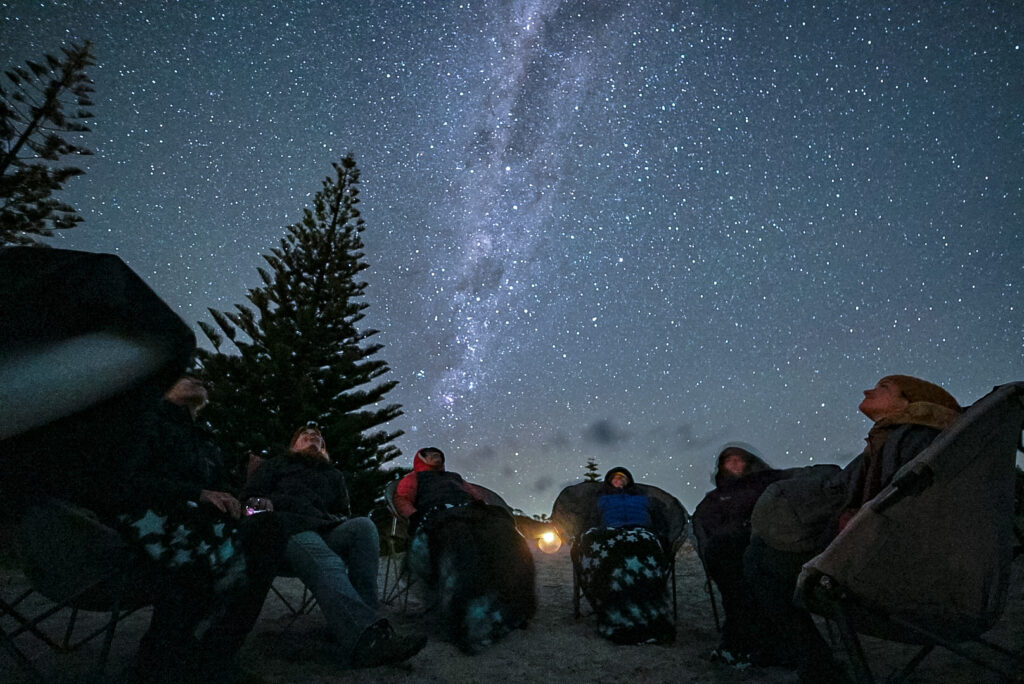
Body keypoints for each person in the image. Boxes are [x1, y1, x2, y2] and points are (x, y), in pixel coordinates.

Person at [743, 375, 962, 683]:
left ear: (911, 402)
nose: (867, 390)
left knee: (759, 562)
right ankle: (807, 658)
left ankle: (816, 664)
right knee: (759, 554)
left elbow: (898, 509)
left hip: (893, 570)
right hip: (883, 555)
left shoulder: (917, 440)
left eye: (883, 387)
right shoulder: (904, 440)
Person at [113, 375, 288, 683]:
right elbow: (124, 480)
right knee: (199, 535)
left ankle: (215, 655)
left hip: (205, 521)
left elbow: (224, 497)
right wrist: (194, 494)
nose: (197, 378)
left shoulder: (205, 443)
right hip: (157, 519)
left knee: (269, 527)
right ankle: (161, 654)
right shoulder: (145, 420)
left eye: (200, 378)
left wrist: (250, 502)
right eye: (184, 375)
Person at [242, 423, 426, 668]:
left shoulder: (332, 475)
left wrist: (335, 520)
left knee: (363, 526)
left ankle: (360, 621)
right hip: (283, 528)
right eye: (305, 435)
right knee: (327, 558)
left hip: (322, 529)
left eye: (318, 436)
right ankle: (365, 639)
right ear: (293, 445)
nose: (312, 437)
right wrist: (262, 508)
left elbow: (342, 512)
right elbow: (248, 499)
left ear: (324, 448)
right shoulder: (276, 464)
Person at [395, 447, 536, 652]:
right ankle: (468, 616)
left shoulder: (455, 477)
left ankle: (513, 609)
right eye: (430, 454)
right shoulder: (414, 478)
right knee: (459, 540)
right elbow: (401, 499)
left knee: (505, 535)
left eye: (438, 454)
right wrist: (414, 515)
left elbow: (476, 496)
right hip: (439, 515)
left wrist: (483, 510)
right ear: (420, 458)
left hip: (469, 512)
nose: (436, 456)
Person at [692, 445, 791, 666]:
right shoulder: (716, 498)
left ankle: (772, 639)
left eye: (739, 460)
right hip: (730, 548)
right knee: (730, 560)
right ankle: (745, 639)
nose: (735, 464)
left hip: (769, 540)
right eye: (729, 461)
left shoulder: (768, 482)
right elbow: (708, 525)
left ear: (749, 462)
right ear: (722, 467)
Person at [577, 466, 675, 644]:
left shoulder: (643, 499)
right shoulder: (601, 499)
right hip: (610, 532)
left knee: (645, 544)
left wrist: (661, 534)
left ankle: (648, 615)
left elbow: (660, 519)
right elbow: (589, 520)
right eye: (615, 477)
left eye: (623, 477)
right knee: (610, 550)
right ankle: (616, 614)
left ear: (629, 481)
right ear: (609, 481)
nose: (619, 479)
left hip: (640, 531)